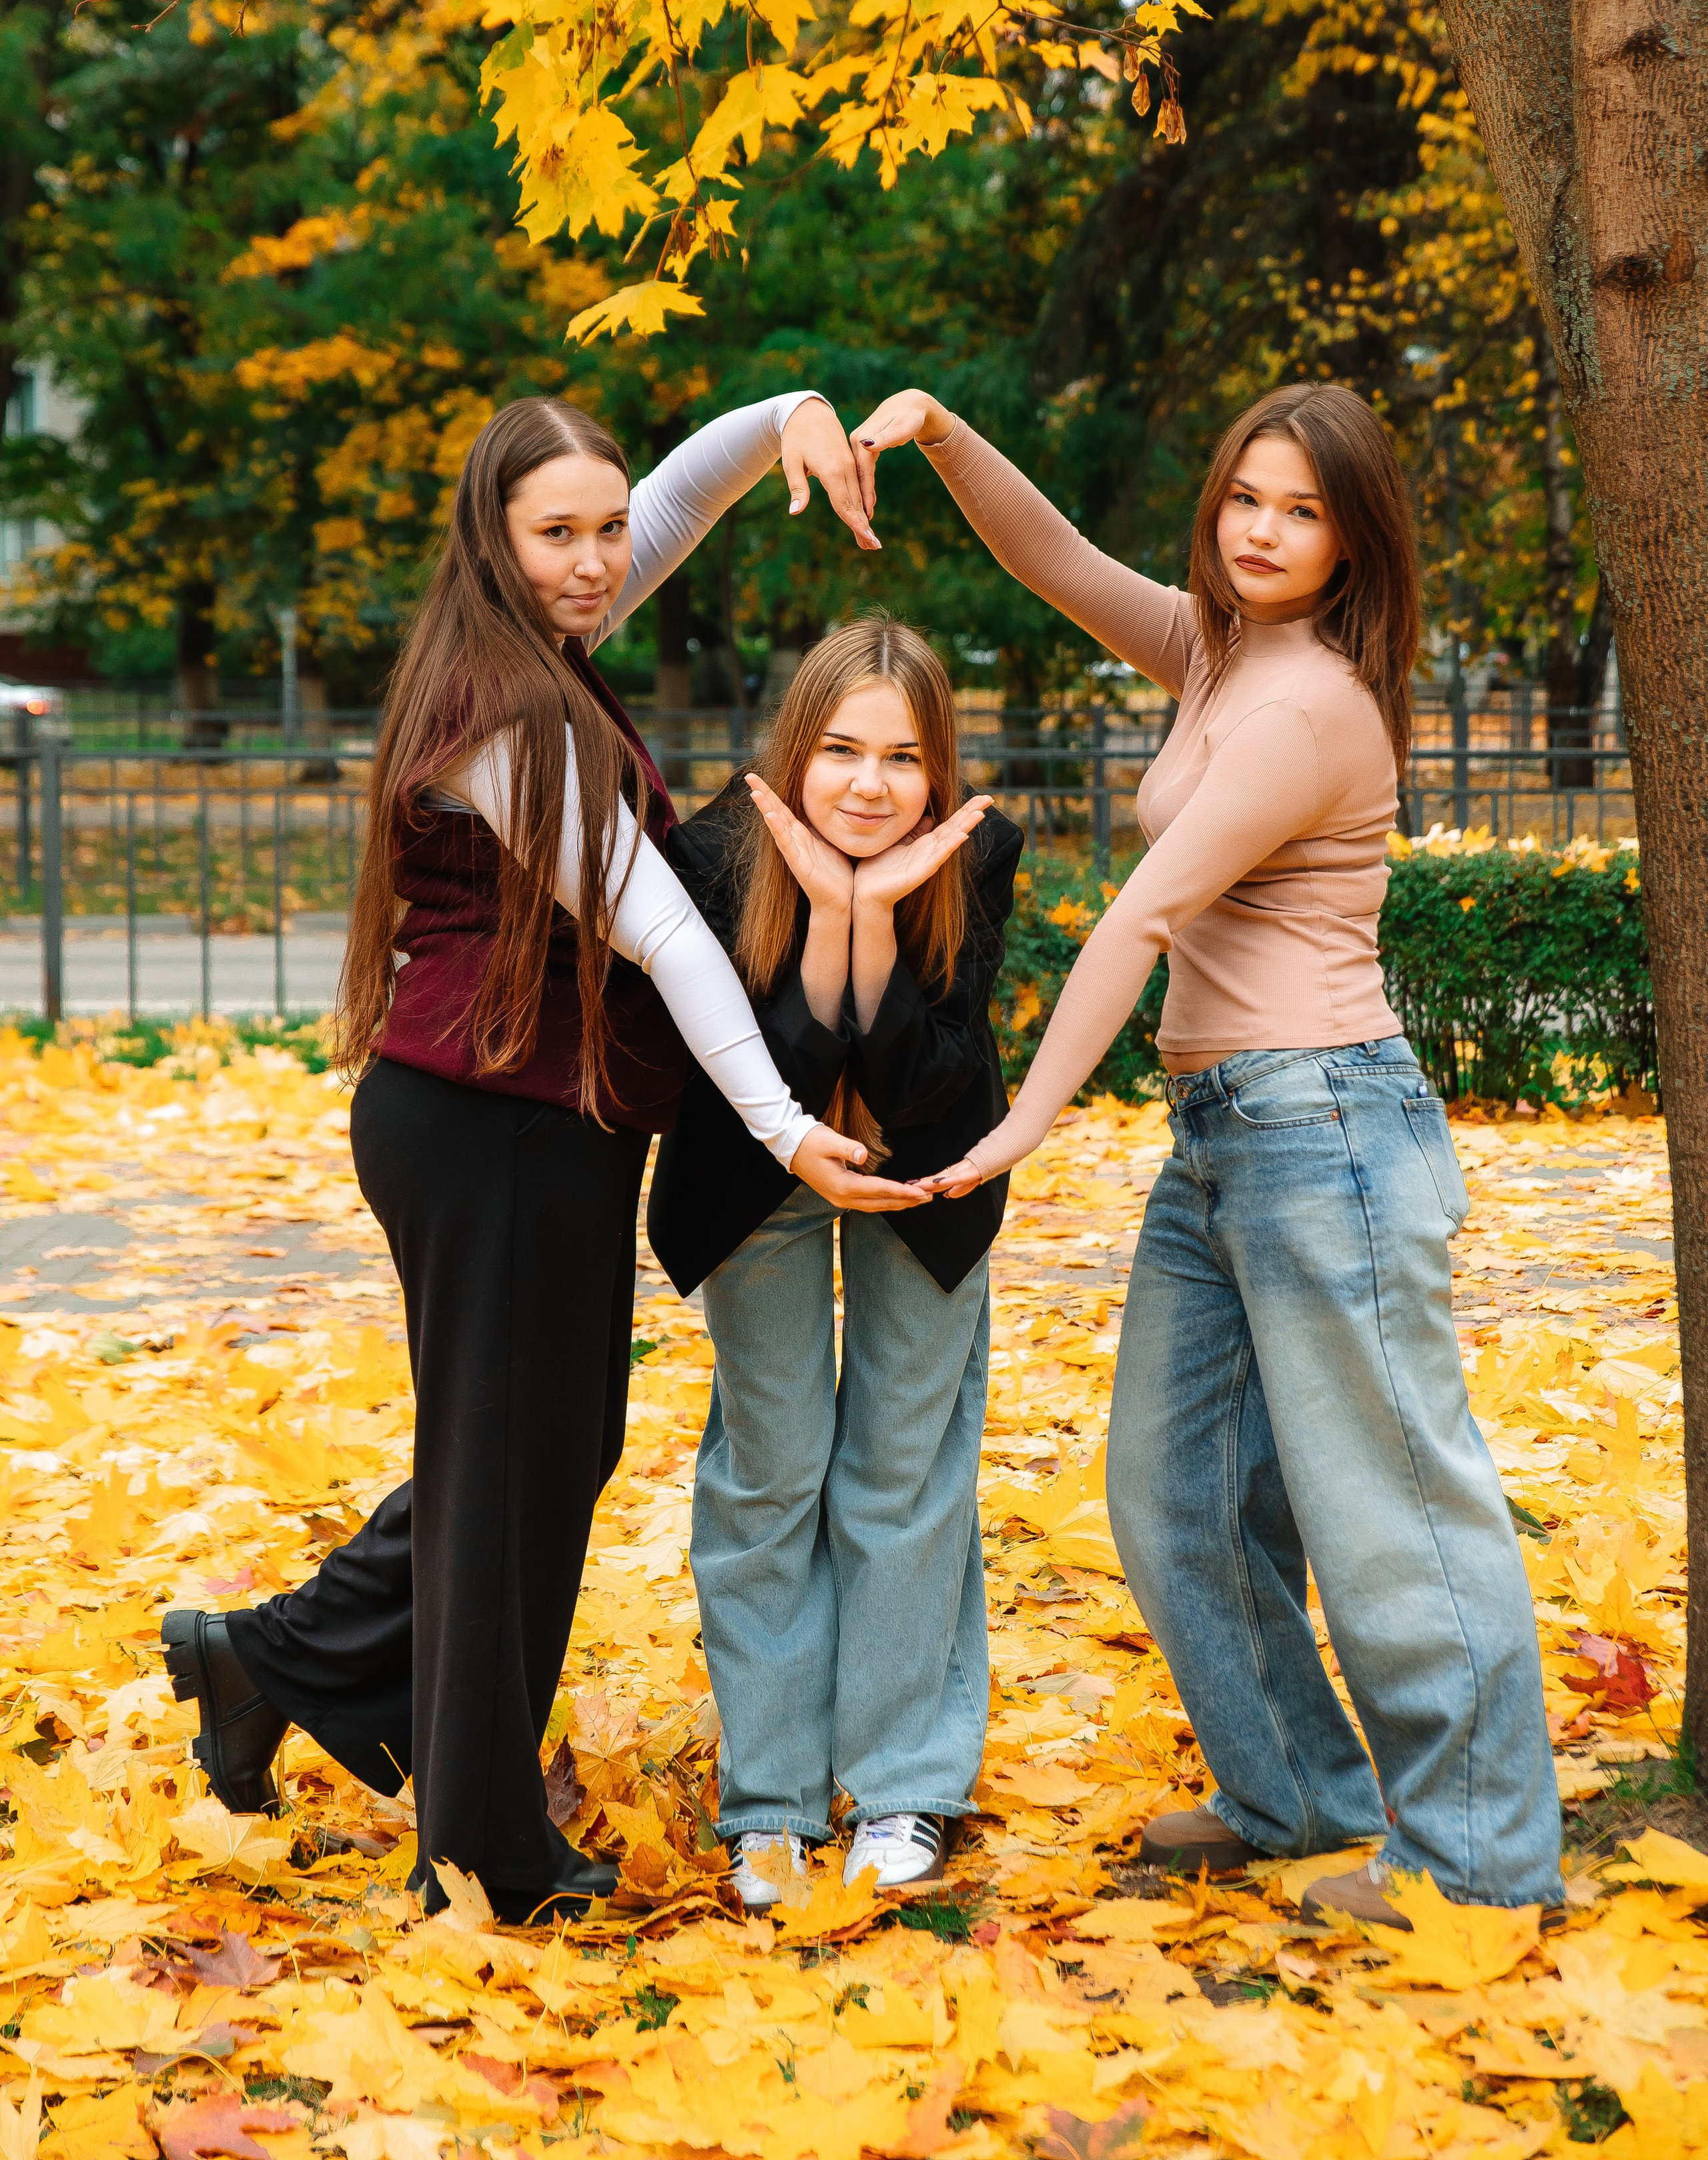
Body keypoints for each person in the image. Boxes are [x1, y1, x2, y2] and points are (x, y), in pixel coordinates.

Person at [161, 387, 929, 1927]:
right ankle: (481, 1857)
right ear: (495, 540)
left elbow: (687, 497)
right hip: (485, 1127)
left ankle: (268, 1660)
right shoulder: (505, 712)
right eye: (557, 534)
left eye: (600, 530)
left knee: (540, 1457)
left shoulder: (536, 633)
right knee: (502, 1481)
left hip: (544, 1125)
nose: (593, 560)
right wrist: (784, 1127)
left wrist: (788, 417)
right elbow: (659, 927)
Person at [849, 381, 1563, 1926]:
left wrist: (1022, 1118)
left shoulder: (1310, 705)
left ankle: (1483, 1868)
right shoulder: (1215, 652)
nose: (1260, 530)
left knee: (1392, 1518)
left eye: (1300, 511)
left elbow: (1143, 913)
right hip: (1227, 1141)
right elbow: (1054, 558)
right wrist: (937, 435)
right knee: (1170, 1498)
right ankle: (1297, 1796)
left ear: (1352, 542)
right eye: (1245, 495)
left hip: (1324, 1134)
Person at [647, 620, 1021, 1901]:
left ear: (940, 765)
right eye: (842, 751)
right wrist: (825, 916)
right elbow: (774, 1084)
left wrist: (873, 921)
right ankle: (772, 1799)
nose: (870, 785)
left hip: (926, 1178)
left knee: (903, 1474)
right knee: (772, 1472)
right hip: (758, 1188)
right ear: (796, 750)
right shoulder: (712, 851)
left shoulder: (978, 852)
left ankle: (907, 1786)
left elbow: (931, 1081)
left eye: (903, 757)